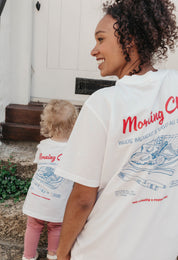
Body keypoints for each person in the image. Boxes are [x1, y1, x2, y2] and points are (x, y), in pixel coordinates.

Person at [55, 0, 178, 259]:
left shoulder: (103, 104)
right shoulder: (174, 86)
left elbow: (82, 199)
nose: (93, 50)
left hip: (101, 250)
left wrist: (61, 253)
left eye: (101, 39)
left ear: (129, 40)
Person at [22, 99, 78, 260]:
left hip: (37, 198)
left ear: (47, 124)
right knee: (56, 227)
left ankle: (28, 256)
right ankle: (53, 254)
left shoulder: (43, 146)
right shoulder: (73, 149)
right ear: (74, 124)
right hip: (58, 201)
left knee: (33, 226)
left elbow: (40, 164)